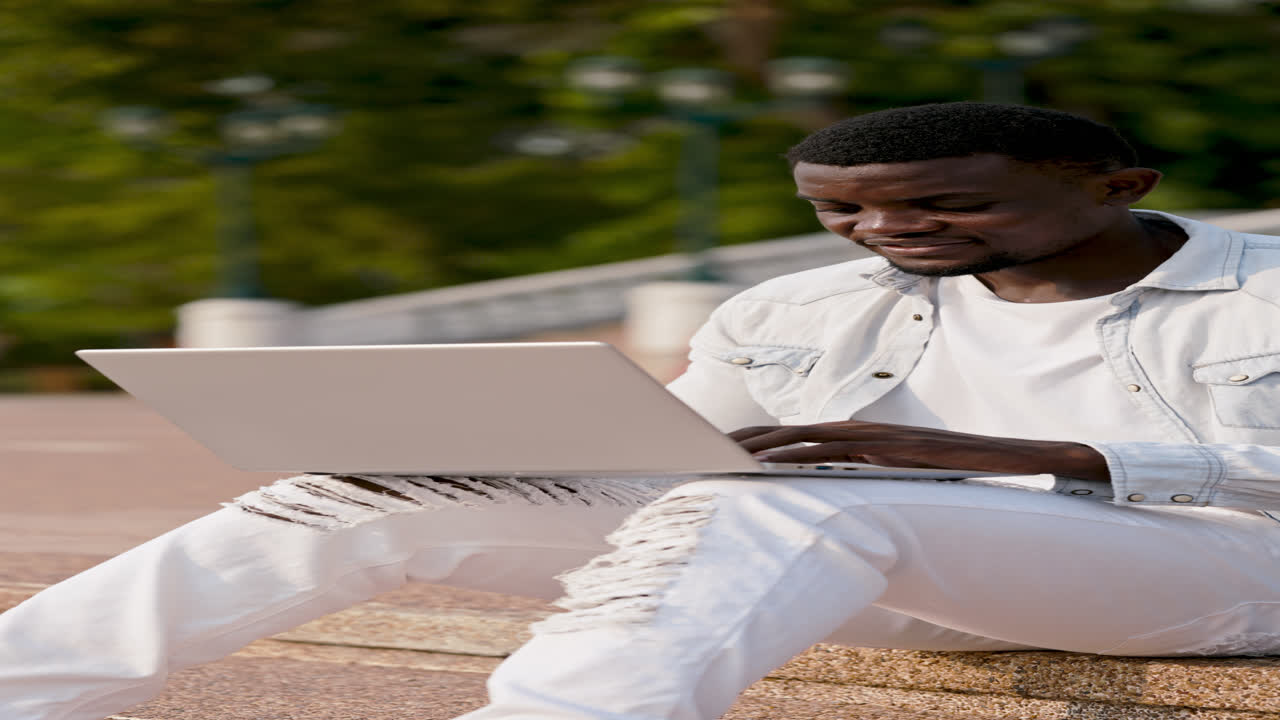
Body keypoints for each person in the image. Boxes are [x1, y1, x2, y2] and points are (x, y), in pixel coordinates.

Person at [5, 101, 1280, 720]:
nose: (887, 231)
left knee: (793, 514)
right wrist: (493, 459)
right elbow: (677, 465)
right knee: (357, 494)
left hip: (1217, 572)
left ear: (1117, 184)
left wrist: (1010, 454)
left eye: (944, 205)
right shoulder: (791, 308)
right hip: (874, 555)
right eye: (845, 210)